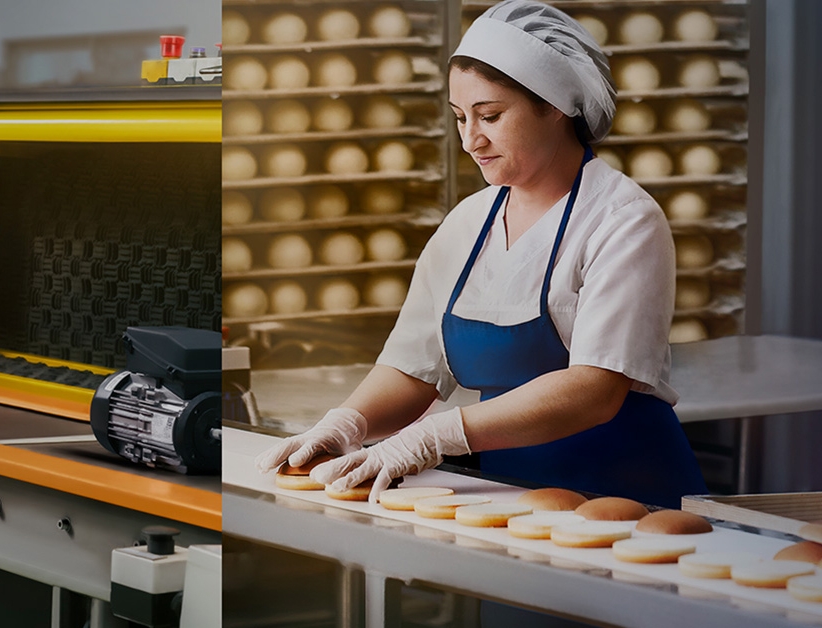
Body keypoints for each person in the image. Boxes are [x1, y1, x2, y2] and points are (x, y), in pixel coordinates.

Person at [256, 0, 706, 510]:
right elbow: (414, 367)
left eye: (490, 116)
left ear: (554, 104)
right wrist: (346, 423)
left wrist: (434, 437)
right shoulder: (469, 223)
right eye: (459, 118)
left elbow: (594, 390)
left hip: (630, 499)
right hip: (512, 500)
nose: (471, 139)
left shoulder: (622, 220)